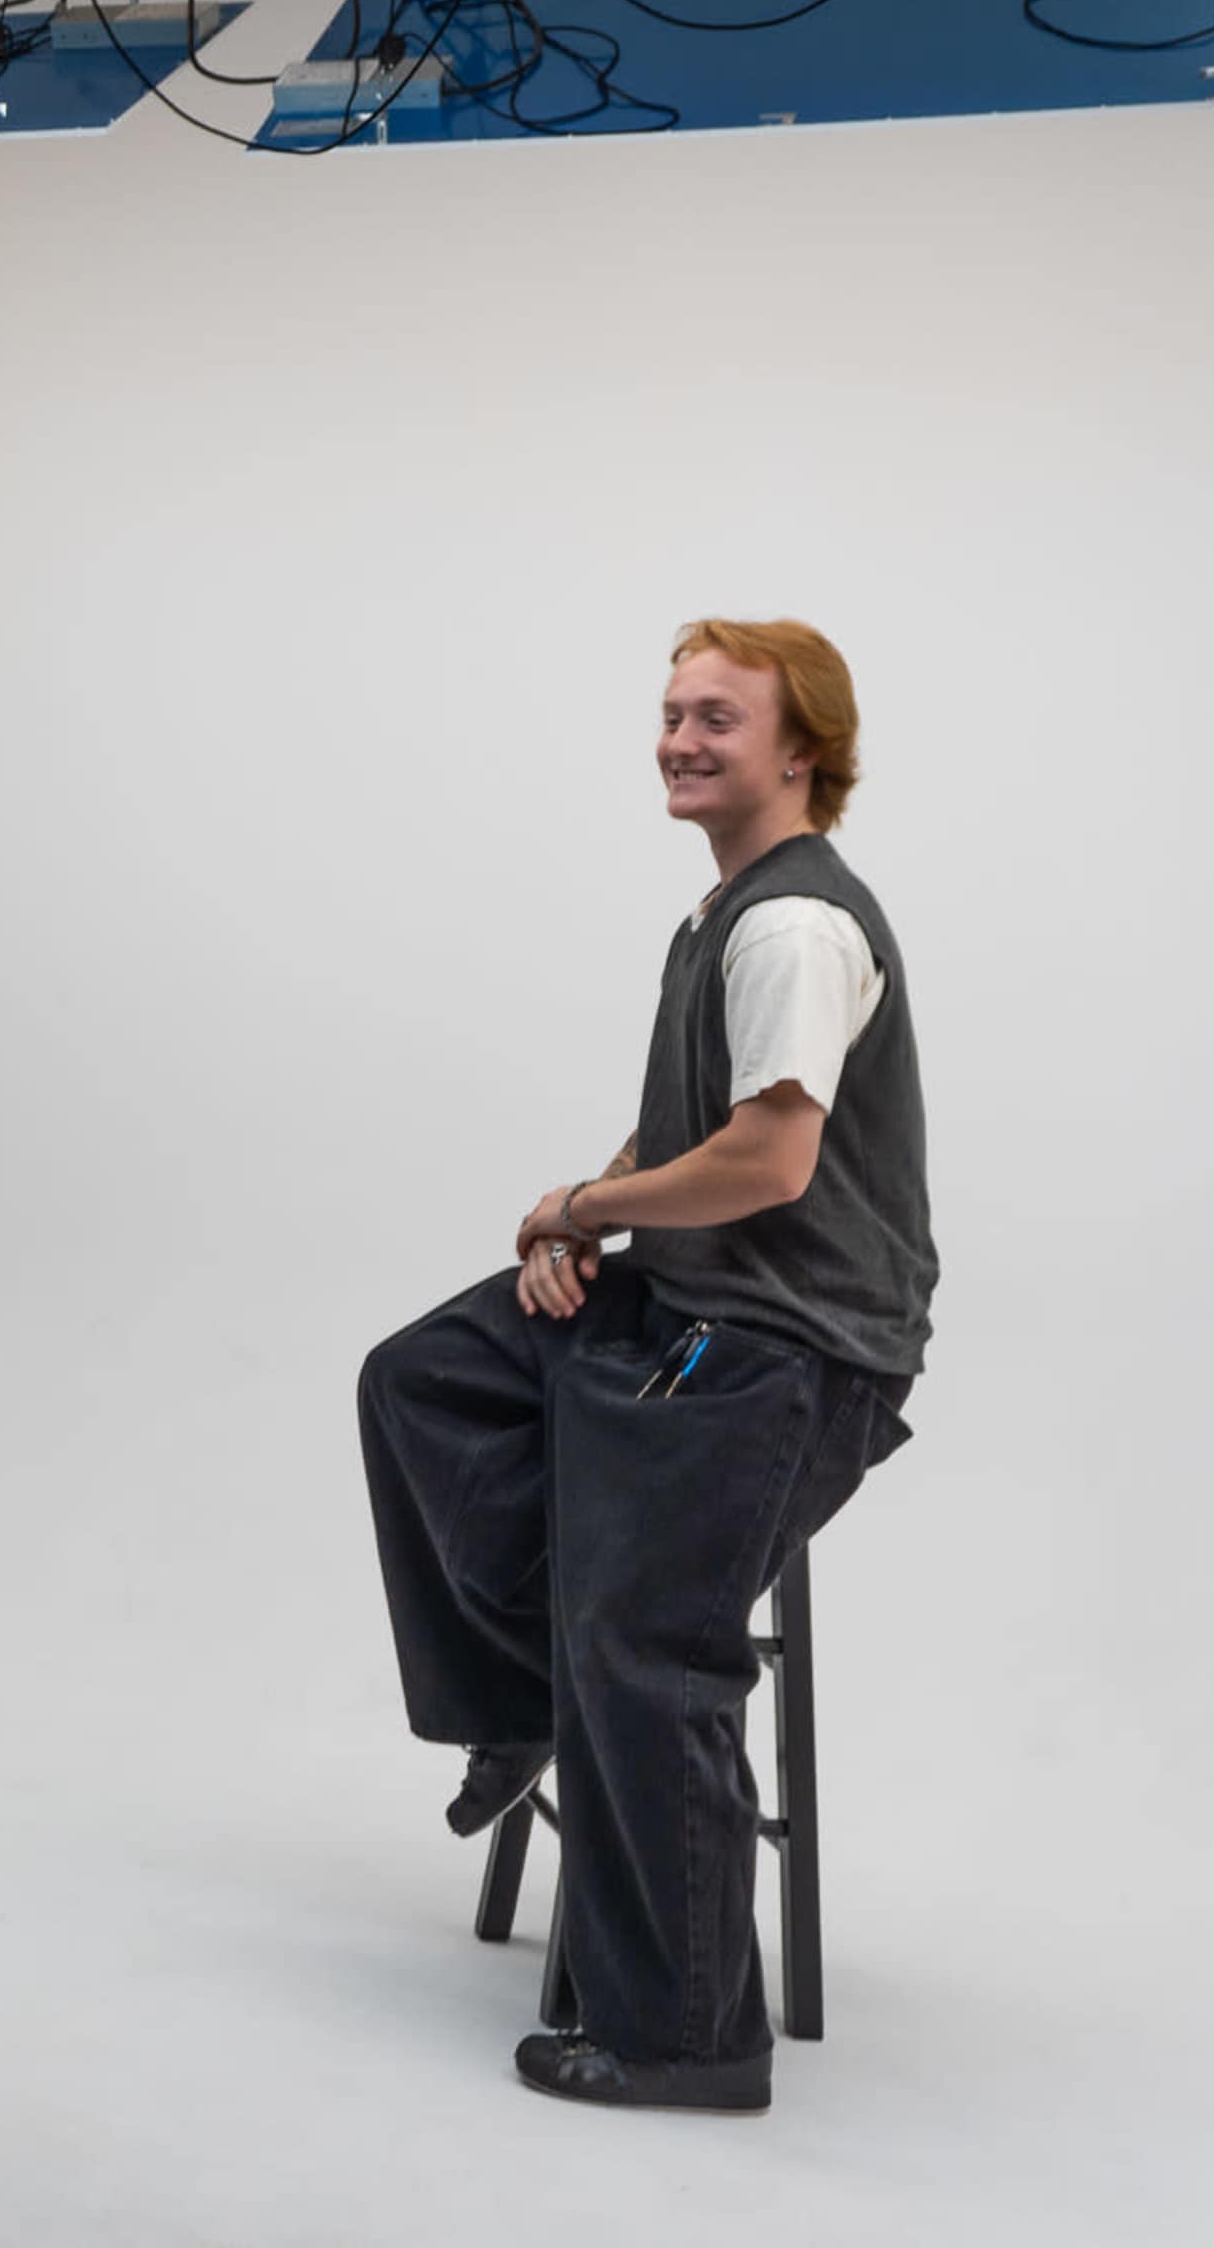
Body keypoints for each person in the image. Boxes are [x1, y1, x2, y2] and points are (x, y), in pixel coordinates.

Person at [356, 620, 933, 2114]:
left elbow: (769, 1161)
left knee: (643, 1637)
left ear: (800, 750)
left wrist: (591, 1205)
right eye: (673, 712)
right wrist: (586, 1224)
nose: (679, 739)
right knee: (429, 1379)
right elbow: (693, 1130)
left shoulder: (793, 927)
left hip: (786, 1346)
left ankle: (688, 2037)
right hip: (689, 1297)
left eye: (717, 718)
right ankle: (522, 1699)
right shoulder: (723, 911)